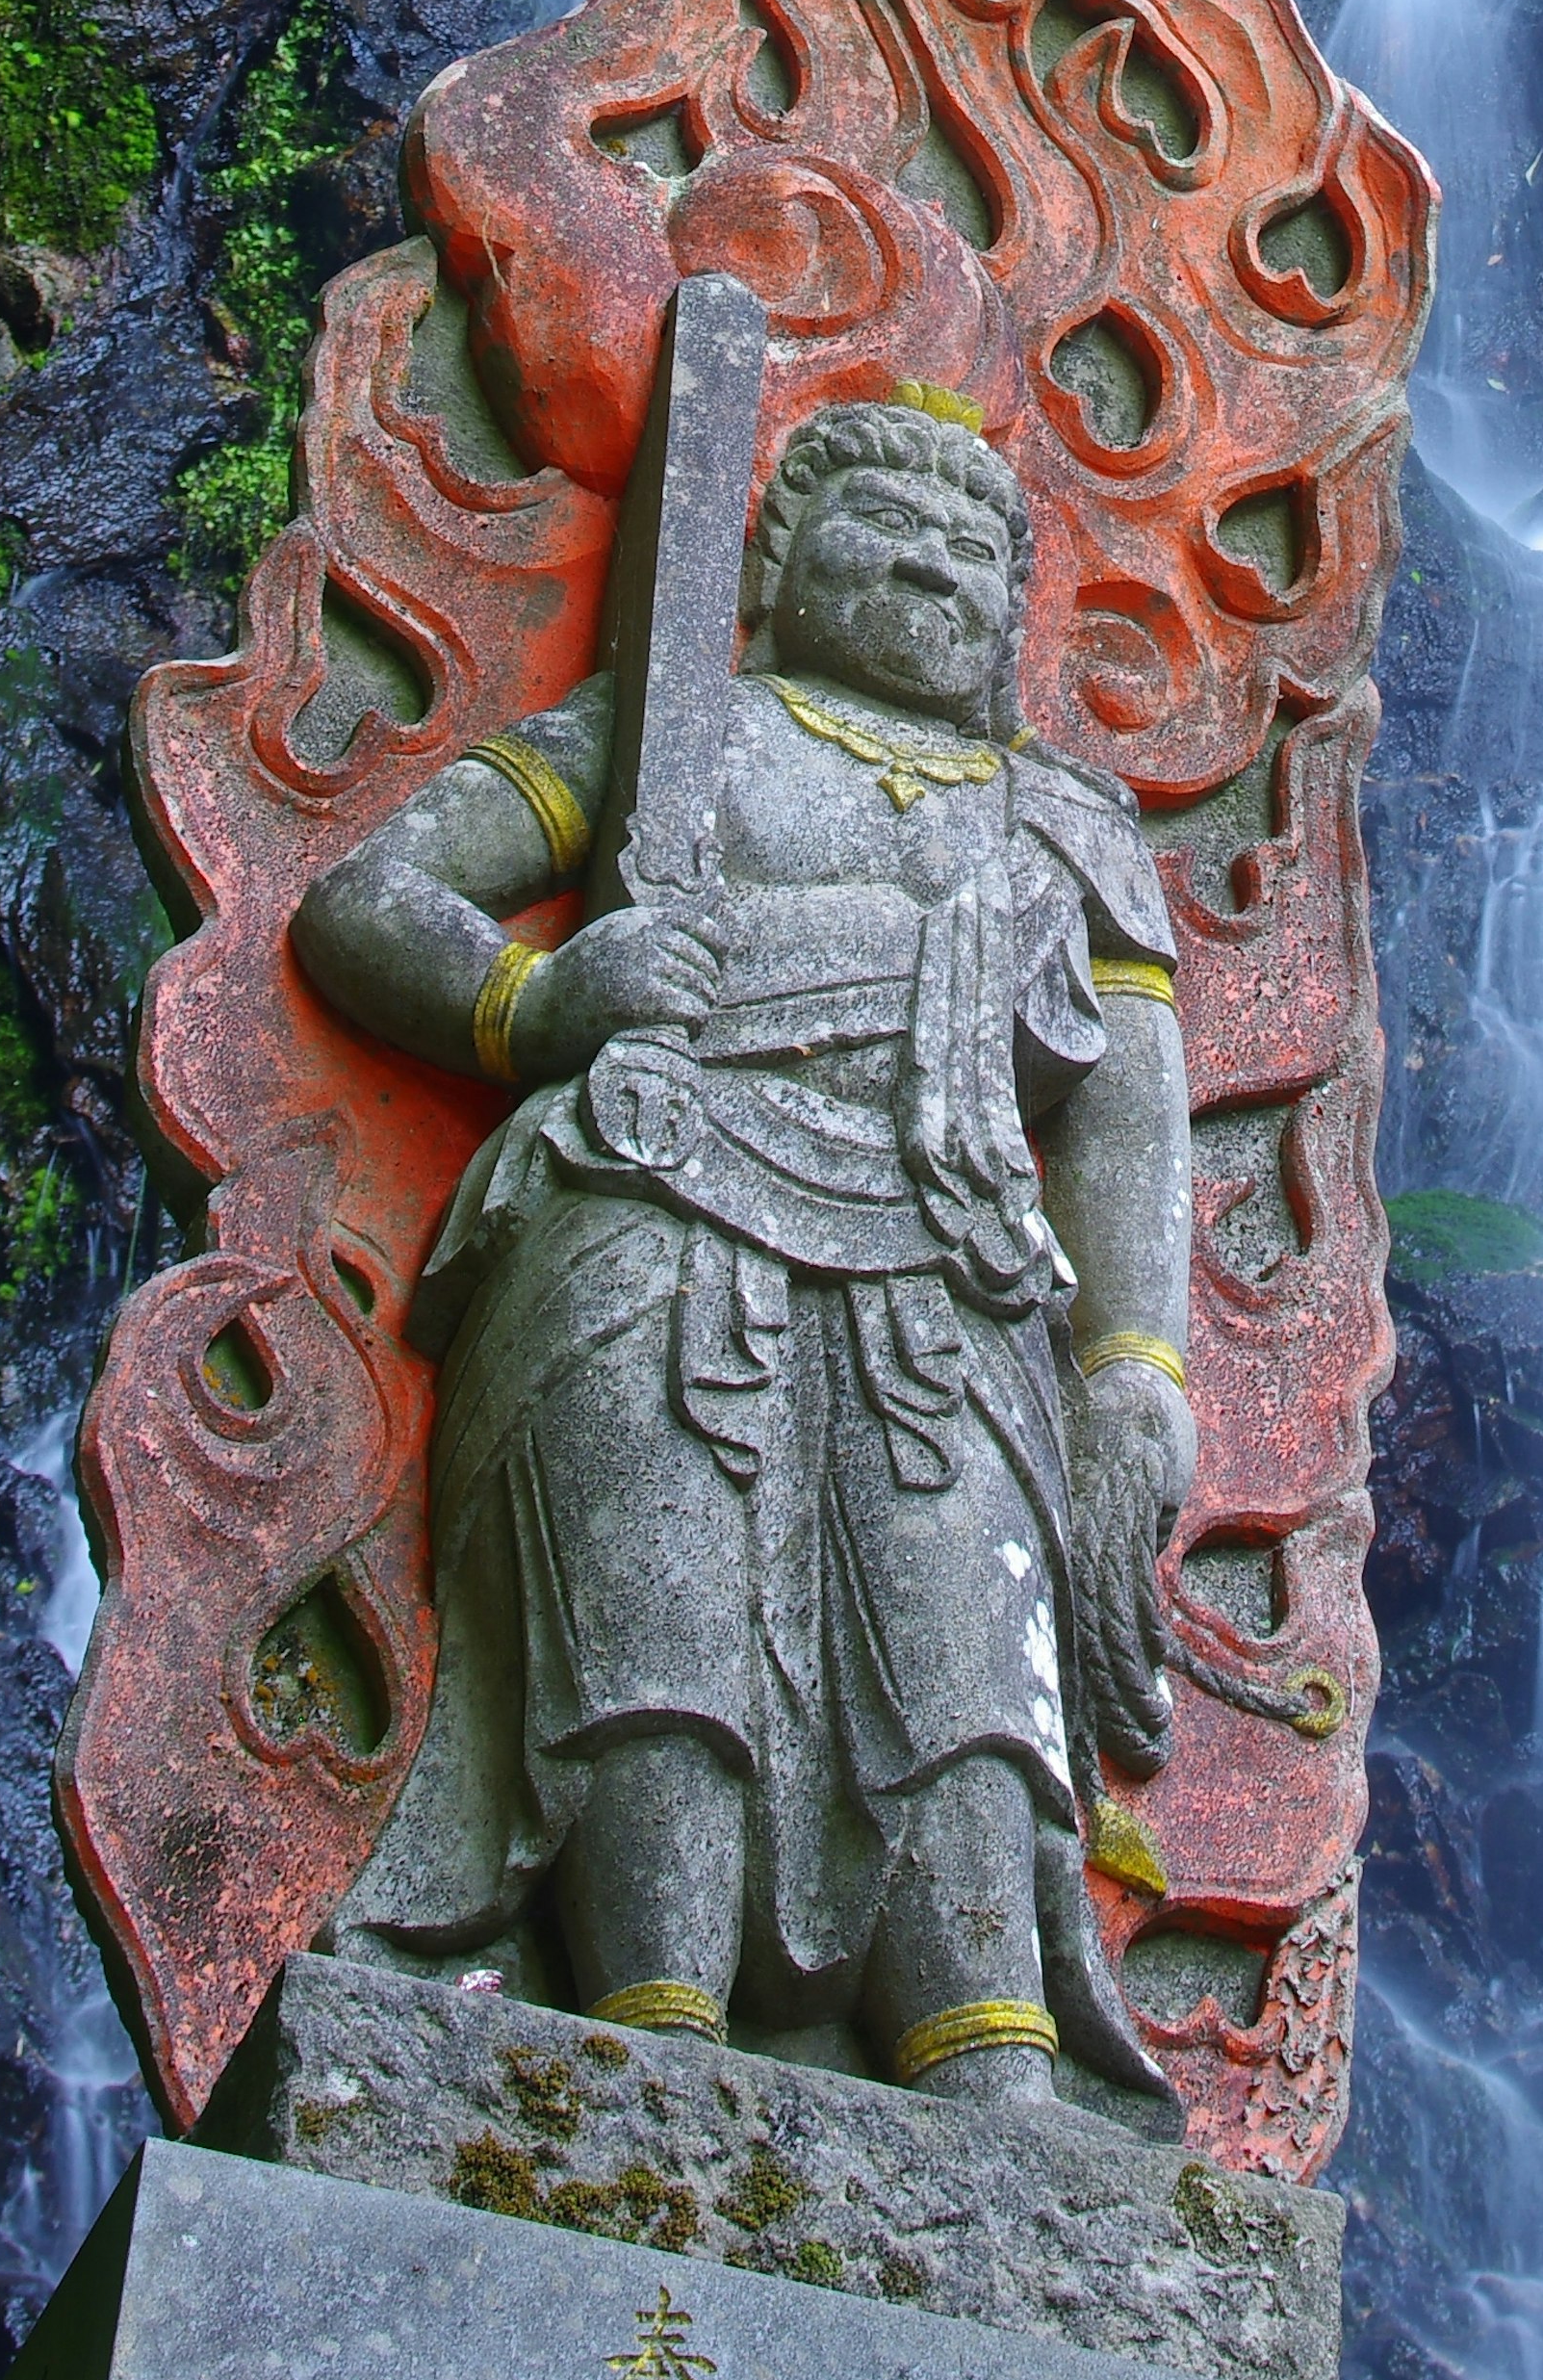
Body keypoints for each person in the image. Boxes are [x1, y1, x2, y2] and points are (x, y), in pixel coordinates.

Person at [288, 388, 1193, 2122]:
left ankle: (988, 2071)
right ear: (772, 560)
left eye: (971, 559)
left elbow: (1130, 1116)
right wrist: (536, 999)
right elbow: (371, 892)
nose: (930, 569)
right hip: (660, 1199)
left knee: (968, 1681)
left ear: (1018, 623)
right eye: (886, 530)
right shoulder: (672, 736)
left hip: (953, 1267)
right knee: (662, 1636)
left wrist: (1139, 1373)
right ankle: (647, 2032)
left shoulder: (1066, 825)